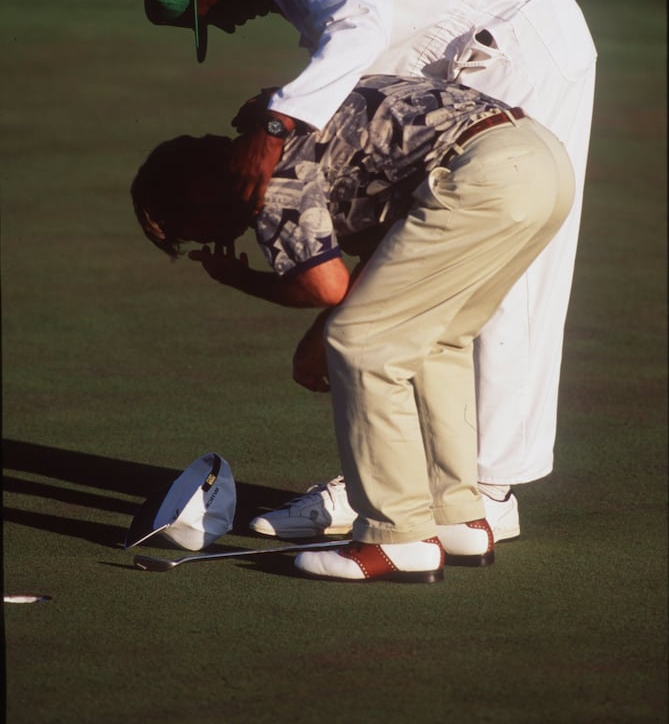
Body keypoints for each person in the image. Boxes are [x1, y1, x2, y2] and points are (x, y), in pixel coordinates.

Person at [142, 0, 597, 541]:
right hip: (479, 49)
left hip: (513, 46)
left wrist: (271, 132)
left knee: (498, 280)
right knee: (427, 279)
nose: (226, 24)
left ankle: (483, 490)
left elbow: (360, 25)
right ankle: (417, 485)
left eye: (207, 11)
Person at [131, 74, 575, 583]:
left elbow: (327, 288)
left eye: (198, 231)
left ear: (201, 189)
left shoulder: (263, 176)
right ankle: (458, 517)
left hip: (483, 175)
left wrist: (246, 283)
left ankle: (397, 537)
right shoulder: (295, 118)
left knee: (360, 343)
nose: (217, 238)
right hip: (540, 158)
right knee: (435, 338)